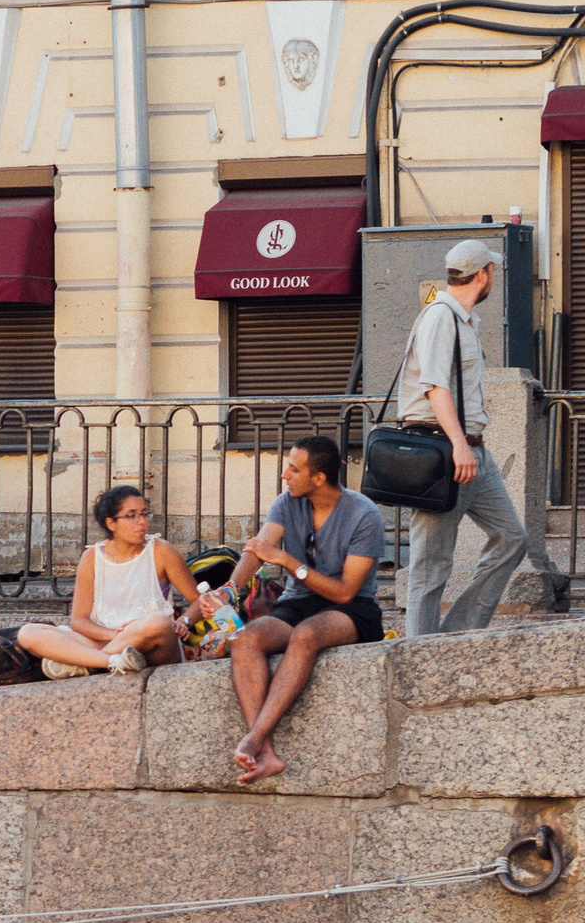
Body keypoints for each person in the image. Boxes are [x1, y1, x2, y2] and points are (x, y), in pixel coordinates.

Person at [395, 237, 547, 638]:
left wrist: (470, 445)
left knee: (512, 538)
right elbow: (434, 387)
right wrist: (460, 445)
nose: (492, 276)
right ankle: (420, 651)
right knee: (431, 564)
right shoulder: (439, 317)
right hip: (444, 453)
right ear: (483, 274)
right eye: (492, 270)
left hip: (475, 453)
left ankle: (457, 631)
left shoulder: (464, 320)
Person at [225, 434, 388, 785]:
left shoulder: (364, 515)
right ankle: (266, 753)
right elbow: (258, 549)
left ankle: (253, 736)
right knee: (245, 639)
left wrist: (288, 561)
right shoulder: (287, 502)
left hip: (351, 608)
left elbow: (346, 592)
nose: (285, 475)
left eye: (293, 469)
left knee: (307, 635)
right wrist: (228, 590)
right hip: (298, 601)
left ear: (319, 478)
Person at [16, 484, 203, 678]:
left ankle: (85, 662)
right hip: (107, 640)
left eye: (144, 514)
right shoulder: (91, 557)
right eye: (131, 516)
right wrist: (114, 635)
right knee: (28, 633)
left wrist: (184, 621)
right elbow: (79, 621)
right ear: (111, 523)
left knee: (158, 623)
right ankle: (110, 661)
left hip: (152, 644)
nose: (142, 522)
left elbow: (197, 600)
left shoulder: (161, 551)